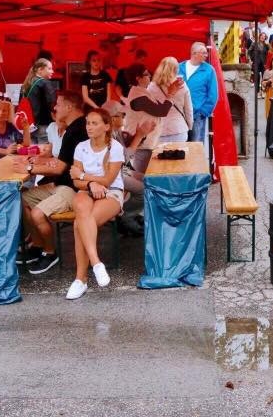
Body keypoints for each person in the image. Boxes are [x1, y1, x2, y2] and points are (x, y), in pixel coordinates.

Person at [14, 90, 87, 274]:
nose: (55, 107)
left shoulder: (76, 130)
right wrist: (34, 165)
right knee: (22, 198)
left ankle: (50, 252)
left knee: (37, 214)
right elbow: (60, 163)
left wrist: (28, 168)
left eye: (59, 104)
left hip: (74, 190)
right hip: (61, 185)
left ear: (69, 107)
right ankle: (38, 245)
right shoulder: (74, 128)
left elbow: (58, 169)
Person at [65, 108, 125, 299]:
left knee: (79, 224)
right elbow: (75, 182)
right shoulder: (81, 147)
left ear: (106, 126)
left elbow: (108, 180)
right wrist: (90, 183)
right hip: (86, 190)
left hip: (111, 192)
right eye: (88, 123)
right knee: (81, 205)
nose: (89, 127)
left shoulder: (115, 148)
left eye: (94, 123)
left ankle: (80, 279)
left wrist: (84, 176)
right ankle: (96, 262)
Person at [124, 63, 174, 174]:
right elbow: (161, 111)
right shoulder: (137, 96)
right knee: (141, 176)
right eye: (146, 74)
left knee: (145, 175)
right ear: (138, 78)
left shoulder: (143, 92)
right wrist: (170, 94)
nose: (150, 76)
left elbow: (160, 108)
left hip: (146, 143)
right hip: (141, 145)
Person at [179, 42, 219, 143]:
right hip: (179, 114)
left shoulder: (209, 70)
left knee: (196, 145)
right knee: (180, 146)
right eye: (203, 53)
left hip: (197, 115)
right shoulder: (179, 67)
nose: (206, 55)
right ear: (194, 53)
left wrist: (203, 112)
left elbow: (213, 94)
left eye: (206, 52)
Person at [148, 57, 193, 144]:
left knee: (159, 153)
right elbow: (188, 109)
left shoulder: (151, 87)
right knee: (178, 152)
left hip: (158, 130)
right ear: (176, 69)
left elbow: (148, 110)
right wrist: (189, 125)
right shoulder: (182, 86)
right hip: (178, 128)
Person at [21, 58, 56, 143]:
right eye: (49, 69)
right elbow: (52, 104)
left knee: (32, 149)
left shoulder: (26, 84)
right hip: (44, 124)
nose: (52, 71)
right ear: (40, 70)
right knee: (44, 149)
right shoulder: (45, 83)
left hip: (29, 125)